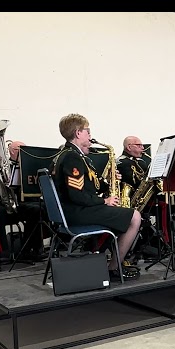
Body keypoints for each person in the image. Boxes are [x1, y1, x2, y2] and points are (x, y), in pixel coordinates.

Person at [52, 114, 142, 279]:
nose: (90, 135)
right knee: (135, 217)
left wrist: (109, 182)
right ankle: (113, 268)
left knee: (121, 213)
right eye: (87, 131)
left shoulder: (72, 154)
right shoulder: (72, 157)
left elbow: (88, 186)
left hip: (74, 210)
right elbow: (77, 195)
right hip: (76, 212)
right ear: (78, 133)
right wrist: (104, 201)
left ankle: (103, 257)